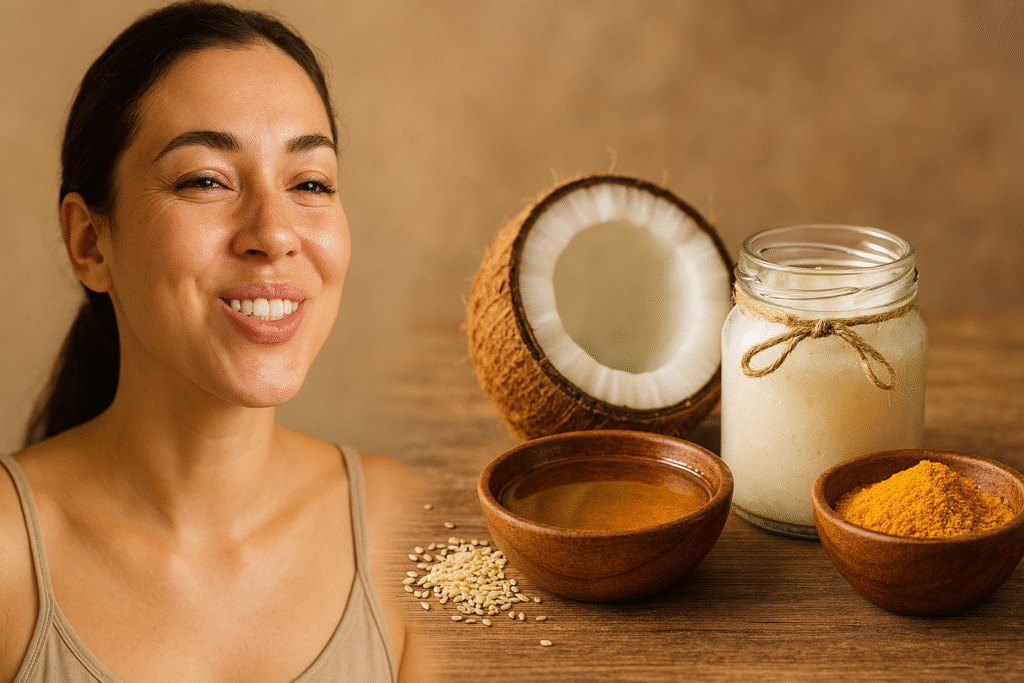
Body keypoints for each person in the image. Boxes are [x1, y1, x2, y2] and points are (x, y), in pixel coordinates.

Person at [0, 2, 428, 681]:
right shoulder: (8, 556)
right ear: (90, 244)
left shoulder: (418, 533)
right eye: (205, 180)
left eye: (309, 182)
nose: (274, 232)